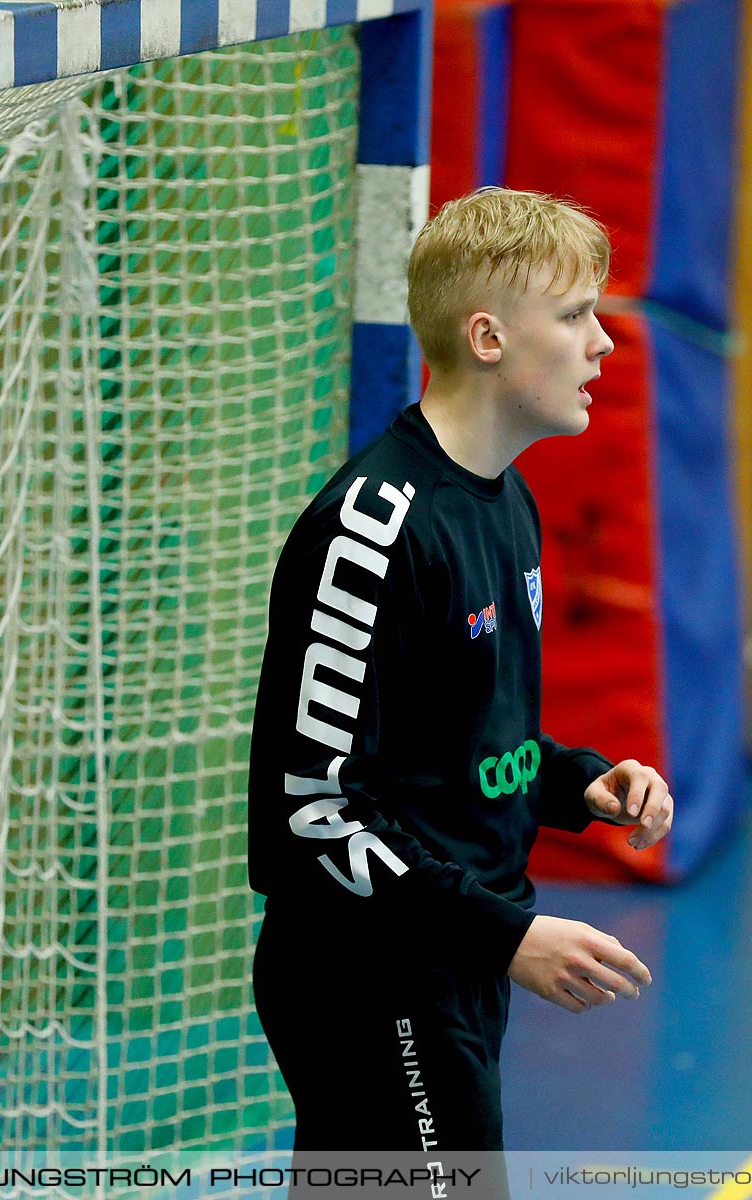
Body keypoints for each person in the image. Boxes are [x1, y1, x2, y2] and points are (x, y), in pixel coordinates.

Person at [246, 188, 675, 1164]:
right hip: (373, 972)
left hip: (452, 957)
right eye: (574, 317)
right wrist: (502, 933)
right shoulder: (373, 532)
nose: (602, 344)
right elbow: (316, 816)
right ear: (487, 336)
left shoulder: (505, 498)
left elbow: (458, 741)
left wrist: (572, 779)